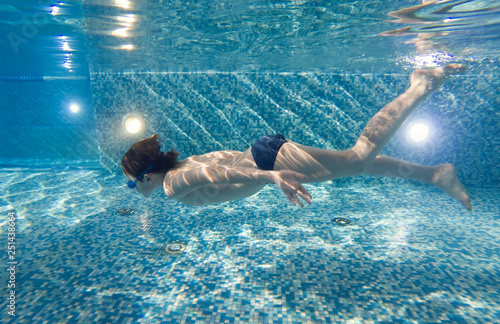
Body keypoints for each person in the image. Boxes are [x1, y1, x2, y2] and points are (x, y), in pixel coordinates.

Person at [121, 64, 472, 210]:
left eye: (132, 184)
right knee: (356, 165)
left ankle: (420, 86)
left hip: (266, 161)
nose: (136, 190)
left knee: (359, 156)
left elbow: (221, 174)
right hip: (263, 152)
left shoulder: (172, 184)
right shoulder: (186, 162)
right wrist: (264, 165)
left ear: (147, 176)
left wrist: (270, 175)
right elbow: (223, 161)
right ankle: (434, 174)